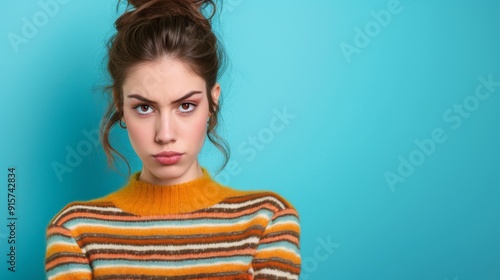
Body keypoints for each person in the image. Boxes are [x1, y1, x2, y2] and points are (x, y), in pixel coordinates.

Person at [44, 0, 301, 279]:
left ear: (212, 101)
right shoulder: (74, 231)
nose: (165, 135)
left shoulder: (267, 221)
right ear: (120, 106)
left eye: (186, 106)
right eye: (144, 107)